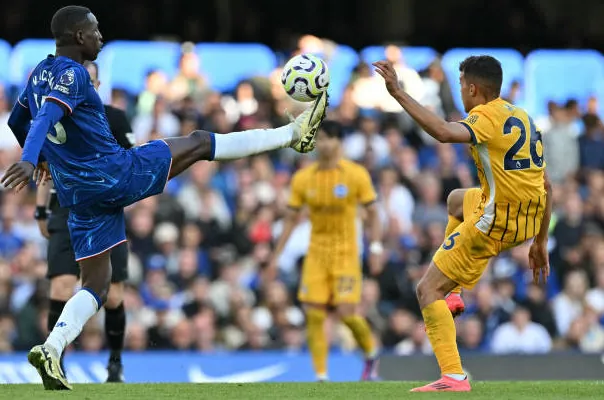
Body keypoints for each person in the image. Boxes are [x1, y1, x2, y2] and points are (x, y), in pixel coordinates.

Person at [3, 5, 327, 391]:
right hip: (115, 173)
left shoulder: (39, 72)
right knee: (199, 142)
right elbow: (41, 121)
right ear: (78, 37)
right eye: (94, 30)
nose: (100, 37)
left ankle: (52, 348)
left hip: (79, 195)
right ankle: (293, 134)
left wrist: (39, 158)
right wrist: (28, 159)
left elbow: (16, 120)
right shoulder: (72, 74)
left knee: (98, 282)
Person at [374, 56, 551, 392]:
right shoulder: (522, 117)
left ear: (472, 88)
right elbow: (547, 185)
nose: (459, 93)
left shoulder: (483, 117)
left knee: (427, 290)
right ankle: (453, 294)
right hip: (529, 218)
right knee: (456, 199)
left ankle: (454, 376)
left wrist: (398, 93)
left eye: (460, 86)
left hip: (495, 223)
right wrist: (540, 241)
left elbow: (442, 132)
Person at [35, 60, 134, 382]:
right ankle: (55, 360)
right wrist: (40, 209)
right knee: (62, 287)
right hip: (65, 208)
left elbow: (130, 162)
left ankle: (115, 363)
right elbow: (45, 166)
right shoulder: (55, 117)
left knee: (113, 294)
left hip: (105, 206)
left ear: (97, 86)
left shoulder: (115, 118)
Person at [269, 120, 383, 381]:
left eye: (327, 138)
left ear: (339, 142)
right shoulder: (303, 178)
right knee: (314, 314)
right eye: (319, 139)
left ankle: (371, 353)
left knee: (346, 314)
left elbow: (373, 214)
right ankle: (321, 376)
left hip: (345, 254)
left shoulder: (356, 175)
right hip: (316, 254)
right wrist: (275, 258)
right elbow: (290, 220)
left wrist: (375, 247)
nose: (321, 144)